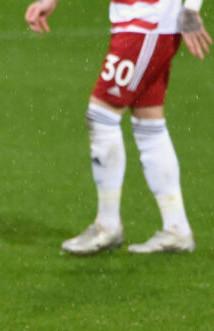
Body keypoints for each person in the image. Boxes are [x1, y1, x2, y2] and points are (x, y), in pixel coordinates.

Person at [25, 0, 210, 255]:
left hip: (147, 23)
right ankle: (176, 228)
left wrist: (191, 9)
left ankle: (107, 226)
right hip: (142, 24)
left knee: (101, 116)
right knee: (148, 121)